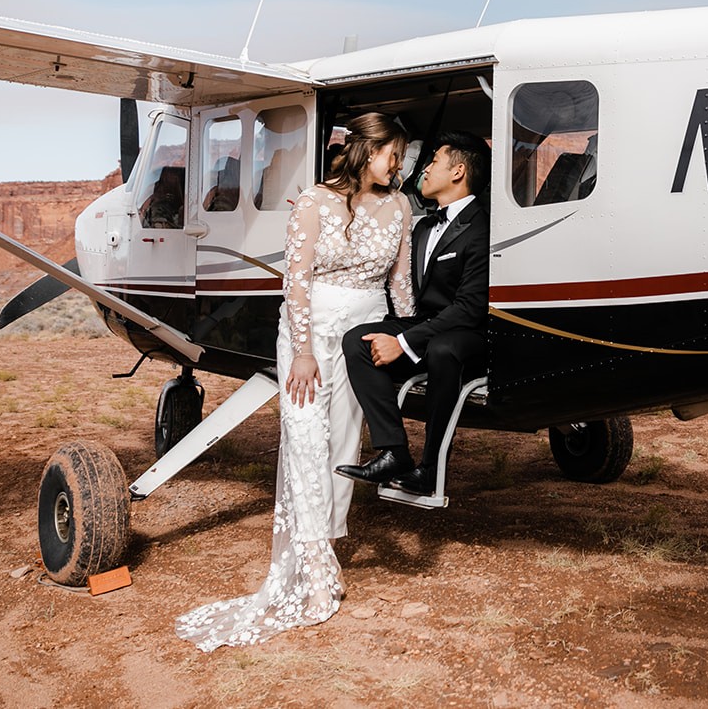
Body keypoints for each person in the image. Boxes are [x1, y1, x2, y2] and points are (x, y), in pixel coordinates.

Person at [176, 112, 413, 652]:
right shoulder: (313, 202)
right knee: (305, 439)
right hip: (309, 339)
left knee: (345, 441)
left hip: (367, 335)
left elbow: (400, 284)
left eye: (401, 156)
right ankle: (315, 567)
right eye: (389, 154)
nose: (397, 166)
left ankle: (322, 544)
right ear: (362, 151)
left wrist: (409, 343)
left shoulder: (400, 205)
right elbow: (296, 281)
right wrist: (302, 352)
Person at [337, 131, 490, 497]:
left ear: (457, 172)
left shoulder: (481, 228)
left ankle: (431, 469)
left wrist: (402, 342)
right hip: (426, 326)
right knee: (357, 340)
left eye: (434, 161)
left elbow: (469, 309)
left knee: (442, 350)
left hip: (467, 333)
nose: (425, 168)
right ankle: (394, 451)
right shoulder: (423, 226)